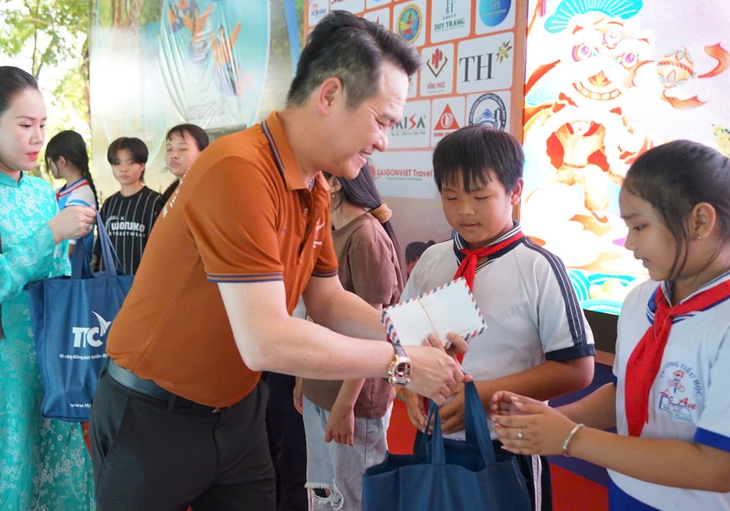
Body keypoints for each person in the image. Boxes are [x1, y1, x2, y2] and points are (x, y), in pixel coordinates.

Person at [89, 11, 466, 511]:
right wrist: (399, 364)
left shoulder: (313, 186)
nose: (384, 141)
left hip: (237, 414)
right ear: (329, 95)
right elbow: (265, 339)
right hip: (153, 416)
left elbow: (328, 299)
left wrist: (411, 331)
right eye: (382, 121)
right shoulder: (239, 170)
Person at [490, 140, 730, 510]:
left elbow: (717, 466)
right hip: (625, 495)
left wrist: (570, 438)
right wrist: (545, 422)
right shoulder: (640, 300)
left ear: (700, 221)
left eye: (640, 226)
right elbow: (623, 391)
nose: (629, 243)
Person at [401, 125, 596, 511]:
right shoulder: (432, 259)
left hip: (507, 443)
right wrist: (408, 387)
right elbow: (404, 342)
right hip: (434, 437)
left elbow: (577, 368)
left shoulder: (539, 267)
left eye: (480, 196)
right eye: (451, 196)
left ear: (515, 191)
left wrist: (478, 397)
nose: (464, 210)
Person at [0, 66, 97, 510]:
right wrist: (52, 233)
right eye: (25, 125)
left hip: (52, 365)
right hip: (7, 372)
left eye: (42, 124)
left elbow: (56, 275)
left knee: (61, 484)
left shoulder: (42, 192)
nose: (38, 137)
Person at [297, 164, 405, 510]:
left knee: (354, 497)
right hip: (319, 385)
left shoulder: (365, 236)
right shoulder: (327, 227)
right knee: (323, 493)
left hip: (353, 398)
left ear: (334, 184)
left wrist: (345, 404)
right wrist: (302, 378)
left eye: (312, 177)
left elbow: (372, 333)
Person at [93, 136, 163, 275]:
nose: (123, 169)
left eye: (130, 162)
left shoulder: (156, 202)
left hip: (143, 281)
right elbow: (101, 244)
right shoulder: (109, 203)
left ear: (142, 165)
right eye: (117, 163)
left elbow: (161, 247)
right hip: (111, 282)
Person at [46, 129, 99, 256]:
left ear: (61, 161)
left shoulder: (80, 196)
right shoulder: (64, 191)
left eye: (50, 160)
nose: (49, 165)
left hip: (70, 268)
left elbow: (68, 249)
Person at [162, 123, 209, 205]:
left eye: (182, 149)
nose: (173, 155)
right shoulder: (168, 195)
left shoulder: (211, 191)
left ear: (203, 153)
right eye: (169, 149)